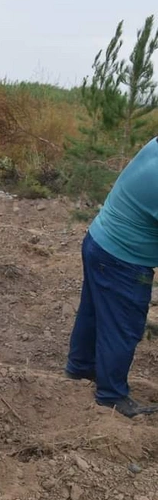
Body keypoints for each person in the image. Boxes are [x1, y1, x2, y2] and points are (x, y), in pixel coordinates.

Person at [65, 136, 158, 418]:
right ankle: (112, 395)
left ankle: (80, 367)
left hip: (99, 241)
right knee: (124, 326)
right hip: (123, 259)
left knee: (93, 313)